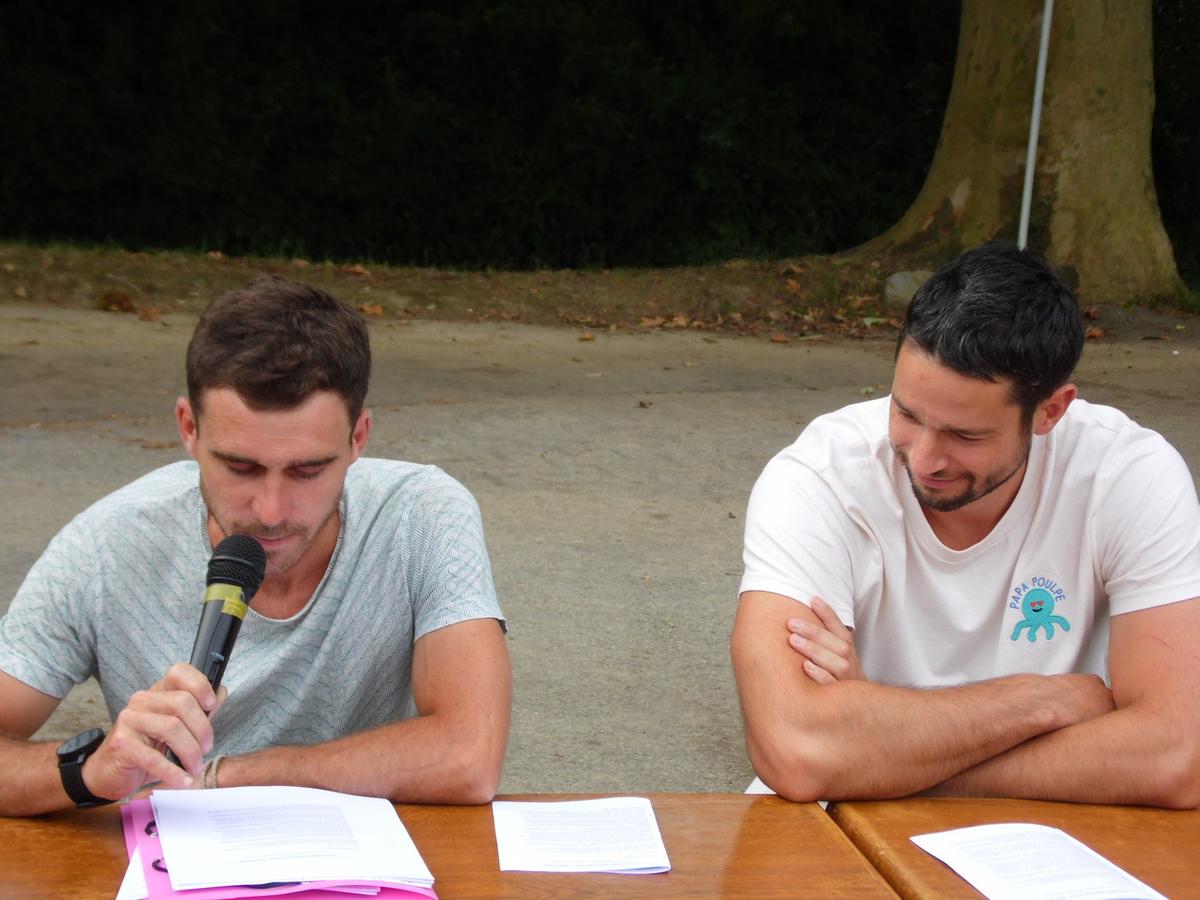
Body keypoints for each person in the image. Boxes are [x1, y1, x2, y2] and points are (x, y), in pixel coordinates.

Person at [0, 277, 511, 816]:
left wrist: (233, 775)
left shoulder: (420, 513)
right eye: (240, 467)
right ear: (188, 428)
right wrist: (90, 772)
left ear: (358, 438)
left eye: (307, 470)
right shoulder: (106, 544)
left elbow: (469, 755)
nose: (270, 511)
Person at [732, 242, 1200, 808]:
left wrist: (876, 752)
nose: (925, 458)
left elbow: (1178, 756)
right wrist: (1037, 703)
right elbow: (797, 750)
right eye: (906, 413)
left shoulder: (1127, 476)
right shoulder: (819, 478)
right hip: (838, 834)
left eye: (965, 435)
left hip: (1053, 840)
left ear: (1051, 411)